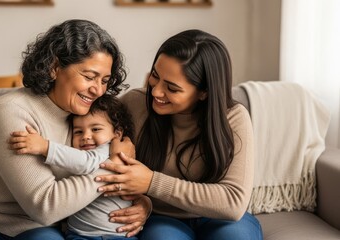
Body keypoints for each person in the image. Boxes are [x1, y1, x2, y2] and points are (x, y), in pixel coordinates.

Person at [0, 19, 151, 240]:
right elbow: (46, 206)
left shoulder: (85, 119)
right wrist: (113, 168)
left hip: (31, 227)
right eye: (90, 77)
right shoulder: (12, 112)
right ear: (55, 67)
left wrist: (143, 203)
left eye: (105, 80)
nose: (98, 90)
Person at [95, 29, 263, 240]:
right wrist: (142, 200)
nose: (155, 91)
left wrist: (152, 182)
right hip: (162, 218)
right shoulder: (134, 104)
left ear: (204, 92)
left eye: (172, 88)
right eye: (155, 76)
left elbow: (233, 202)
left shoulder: (234, 118)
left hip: (220, 219)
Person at [9, 94, 138, 239]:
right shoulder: (78, 152)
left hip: (116, 235)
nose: (86, 136)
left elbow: (86, 162)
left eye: (95, 129)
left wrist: (45, 147)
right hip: (78, 235)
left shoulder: (110, 149)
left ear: (117, 133)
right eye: (78, 132)